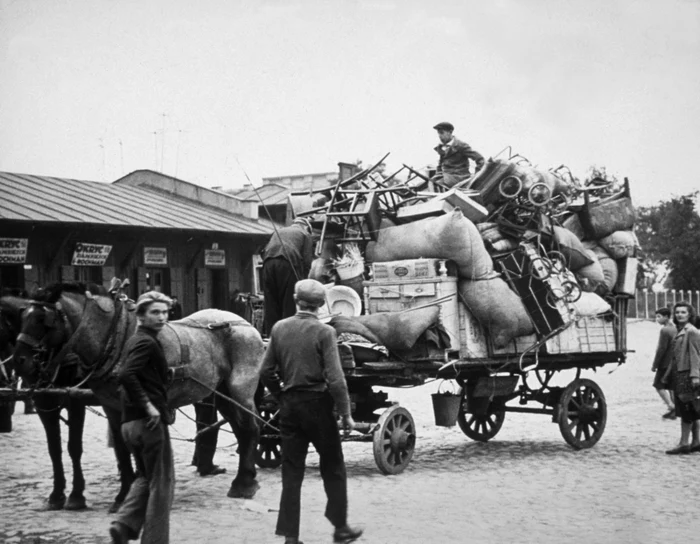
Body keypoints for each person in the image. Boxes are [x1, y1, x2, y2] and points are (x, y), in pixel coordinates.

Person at [260, 279, 363, 544]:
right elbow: (336, 378)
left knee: (291, 474)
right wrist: (346, 414)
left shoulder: (279, 328)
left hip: (290, 407)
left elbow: (265, 371)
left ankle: (290, 537)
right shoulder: (325, 332)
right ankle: (340, 527)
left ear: (296, 300)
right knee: (333, 468)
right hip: (318, 405)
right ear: (321, 305)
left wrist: (281, 394)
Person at [110, 291, 175, 544]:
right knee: (162, 483)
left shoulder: (134, 341)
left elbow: (129, 373)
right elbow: (127, 374)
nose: (161, 317)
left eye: (165, 312)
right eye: (155, 313)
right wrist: (149, 405)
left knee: (144, 477)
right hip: (148, 423)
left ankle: (123, 525)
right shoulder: (147, 342)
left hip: (128, 424)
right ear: (141, 315)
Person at [261, 217, 315, 334]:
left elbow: (263, 250)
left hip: (268, 263)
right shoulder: (306, 234)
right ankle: (287, 335)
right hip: (288, 262)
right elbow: (307, 261)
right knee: (289, 301)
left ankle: (272, 336)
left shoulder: (279, 231)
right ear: (307, 227)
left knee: (271, 302)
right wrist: (302, 284)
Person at [662, 302, 700, 455]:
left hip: (687, 375)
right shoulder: (680, 330)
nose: (679, 315)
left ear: (690, 314)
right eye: (677, 312)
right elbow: (675, 357)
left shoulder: (692, 331)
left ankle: (684, 443)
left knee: (686, 410)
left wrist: (695, 376)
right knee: (691, 409)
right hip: (679, 374)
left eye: (683, 312)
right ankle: (696, 441)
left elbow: (695, 355)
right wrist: (667, 375)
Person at [431, 121, 484, 188]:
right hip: (446, 176)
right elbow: (440, 163)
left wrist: (477, 175)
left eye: (442, 133)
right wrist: (438, 174)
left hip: (459, 177)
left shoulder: (461, 145)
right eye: (438, 133)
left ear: (450, 132)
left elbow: (480, 159)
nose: (439, 136)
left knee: (437, 184)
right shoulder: (442, 146)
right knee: (431, 181)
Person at [651, 307, 676, 419]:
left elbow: (661, 349)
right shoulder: (675, 328)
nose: (657, 319)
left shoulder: (665, 330)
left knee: (658, 385)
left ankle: (671, 406)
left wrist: (655, 365)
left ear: (666, 317)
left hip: (665, 363)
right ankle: (674, 410)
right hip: (674, 362)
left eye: (659, 316)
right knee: (671, 386)